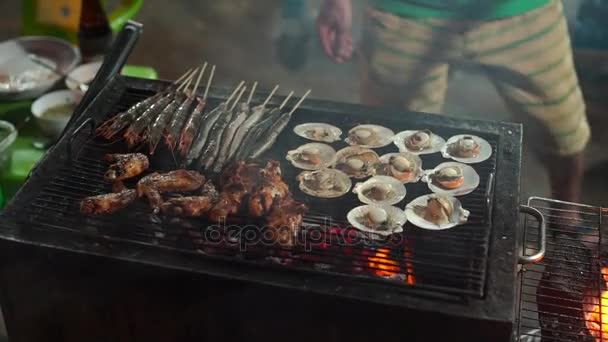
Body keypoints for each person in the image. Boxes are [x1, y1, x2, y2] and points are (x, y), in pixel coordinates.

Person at [317, 0, 591, 203]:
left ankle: (567, 214)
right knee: (394, 137)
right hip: (405, 12)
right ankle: (397, 219)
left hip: (523, 10)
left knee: (563, 129)